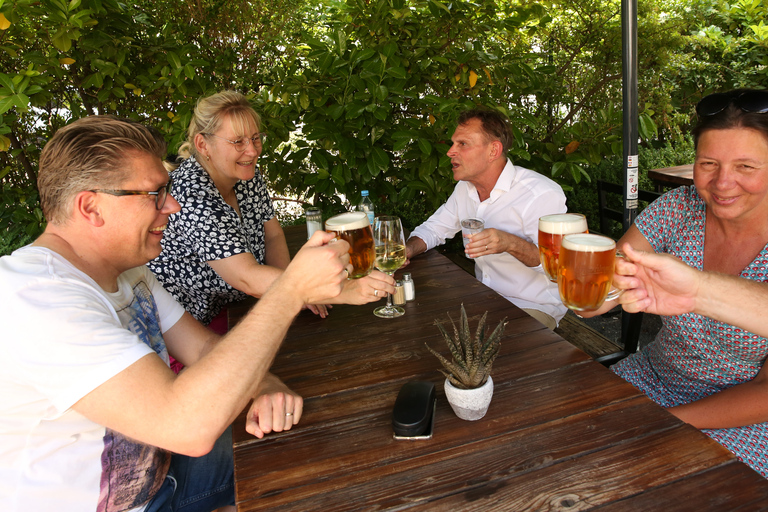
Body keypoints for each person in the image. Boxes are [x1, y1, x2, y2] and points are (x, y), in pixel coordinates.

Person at [0, 115, 355, 511]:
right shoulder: (36, 297)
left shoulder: (129, 271)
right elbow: (186, 427)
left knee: (325, 439)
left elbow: (204, 348)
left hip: (167, 475)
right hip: (145, 492)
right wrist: (291, 291)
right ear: (91, 207)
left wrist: (265, 385)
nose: (172, 204)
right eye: (154, 193)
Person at [582, 88, 768, 478]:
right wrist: (589, 288)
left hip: (743, 414)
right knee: (573, 444)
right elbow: (602, 291)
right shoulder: (678, 208)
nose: (722, 182)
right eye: (708, 163)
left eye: (746, 167)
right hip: (652, 375)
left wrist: (667, 422)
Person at [148, 90, 393, 334]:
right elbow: (247, 277)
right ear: (203, 145)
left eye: (255, 138)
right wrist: (329, 290)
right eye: (238, 142)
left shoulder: (244, 174)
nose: (253, 151)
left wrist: (293, 291)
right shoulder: (191, 193)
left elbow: (273, 235)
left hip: (237, 305)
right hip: (188, 325)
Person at [405, 108, 568, 329]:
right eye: (453, 143)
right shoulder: (465, 188)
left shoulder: (540, 194)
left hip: (532, 306)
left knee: (490, 358)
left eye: (463, 144)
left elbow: (558, 267)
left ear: (493, 151)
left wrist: (510, 243)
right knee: (418, 325)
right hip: (483, 297)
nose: (450, 152)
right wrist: (408, 250)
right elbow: (435, 228)